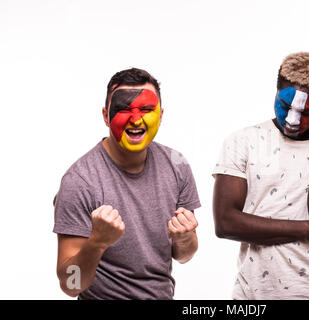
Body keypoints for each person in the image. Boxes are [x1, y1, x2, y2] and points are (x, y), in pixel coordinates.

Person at [212, 52, 309, 299]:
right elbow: (226, 223)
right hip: (252, 297)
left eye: (307, 112)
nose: (293, 120)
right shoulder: (242, 141)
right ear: (275, 91)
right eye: (285, 106)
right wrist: (308, 232)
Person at [53, 68, 201, 299]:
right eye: (123, 109)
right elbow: (71, 285)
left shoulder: (177, 164)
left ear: (160, 115)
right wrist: (97, 242)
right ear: (105, 115)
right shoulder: (80, 181)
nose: (135, 119)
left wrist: (184, 237)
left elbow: (184, 255)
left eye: (146, 109)